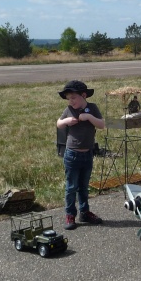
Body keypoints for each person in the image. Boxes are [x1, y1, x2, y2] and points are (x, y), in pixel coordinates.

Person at [56, 80, 105, 230]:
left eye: (73, 98)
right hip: (72, 155)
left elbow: (102, 124)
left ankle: (84, 212)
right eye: (68, 98)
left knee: (83, 186)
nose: (71, 101)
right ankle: (70, 214)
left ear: (84, 95)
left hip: (87, 155)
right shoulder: (69, 110)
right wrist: (66, 121)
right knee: (71, 187)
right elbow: (58, 123)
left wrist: (89, 118)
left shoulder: (92, 108)